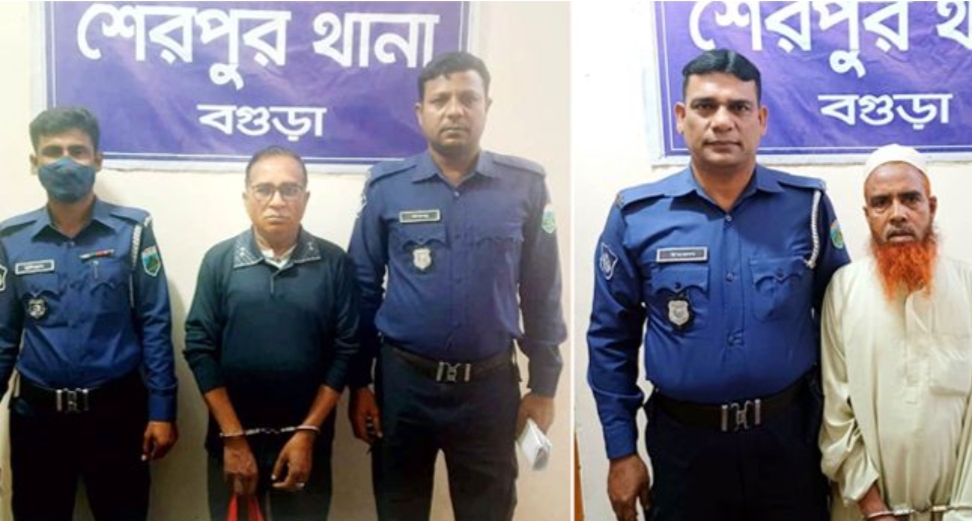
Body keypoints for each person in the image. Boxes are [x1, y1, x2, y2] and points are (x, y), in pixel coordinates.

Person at [587, 48, 851, 521]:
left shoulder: (806, 207)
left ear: (761, 120)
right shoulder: (637, 217)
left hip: (790, 443)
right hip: (686, 450)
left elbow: (843, 324)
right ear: (681, 117)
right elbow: (610, 340)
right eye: (706, 106)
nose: (723, 121)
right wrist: (620, 450)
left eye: (739, 107)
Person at [347, 51, 567, 521]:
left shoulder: (525, 186)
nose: (454, 110)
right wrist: (359, 382)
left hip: (489, 390)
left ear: (487, 106)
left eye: (468, 98)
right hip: (404, 388)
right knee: (399, 511)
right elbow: (362, 289)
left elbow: (542, 290)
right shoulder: (387, 187)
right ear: (420, 112)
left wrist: (544, 386)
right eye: (440, 100)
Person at [0, 106, 178, 521]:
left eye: (77, 151)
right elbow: (3, 335)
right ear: (34, 162)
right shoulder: (11, 239)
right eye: (53, 151)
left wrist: (162, 410)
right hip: (37, 419)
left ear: (97, 160)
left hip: (116, 413)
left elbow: (154, 322)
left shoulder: (132, 231)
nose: (65, 162)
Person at [184, 146, 359, 521]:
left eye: (289, 189)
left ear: (305, 198)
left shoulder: (334, 263)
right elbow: (199, 348)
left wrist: (307, 433)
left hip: (306, 442)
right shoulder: (219, 261)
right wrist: (233, 438)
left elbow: (346, 351)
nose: (277, 201)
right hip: (232, 441)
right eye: (264, 190)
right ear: (246, 198)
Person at [819, 144, 972, 521]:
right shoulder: (844, 289)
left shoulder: (968, 286)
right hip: (865, 512)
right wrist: (875, 509)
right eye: (881, 202)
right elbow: (836, 414)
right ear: (867, 214)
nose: (897, 213)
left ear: (931, 207)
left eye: (910, 199)